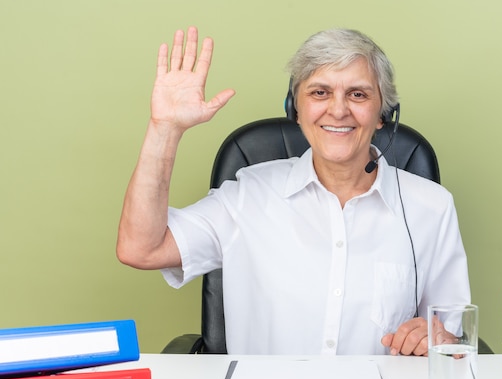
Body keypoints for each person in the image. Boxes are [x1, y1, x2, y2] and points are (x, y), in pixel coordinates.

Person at [117, 26, 470, 356]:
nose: (338, 109)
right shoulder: (247, 195)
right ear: (295, 109)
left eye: (358, 94)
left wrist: (443, 340)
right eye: (320, 92)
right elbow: (141, 249)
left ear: (383, 114)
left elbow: (452, 342)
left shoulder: (431, 207)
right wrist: (165, 129)